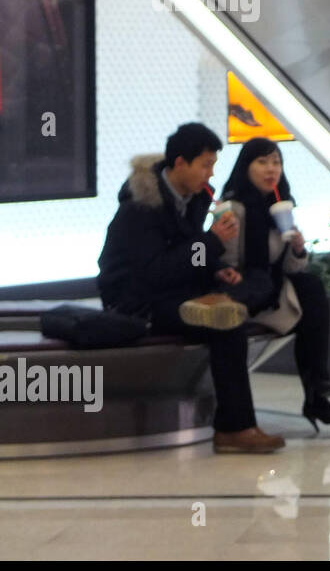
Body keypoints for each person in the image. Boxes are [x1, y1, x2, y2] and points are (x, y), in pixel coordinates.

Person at [97, 122, 284, 453]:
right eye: (205, 165)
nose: (210, 174)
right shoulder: (142, 207)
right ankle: (234, 429)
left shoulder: (193, 198)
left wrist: (217, 269)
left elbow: (186, 256)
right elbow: (153, 272)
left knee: (242, 301)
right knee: (224, 323)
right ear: (180, 163)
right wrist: (212, 242)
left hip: (173, 292)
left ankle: (236, 426)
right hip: (135, 302)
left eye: (213, 165)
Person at [217, 137, 330, 432]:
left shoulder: (280, 207)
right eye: (262, 162)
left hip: (271, 287)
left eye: (276, 162)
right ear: (246, 167)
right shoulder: (233, 209)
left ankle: (317, 387)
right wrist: (229, 272)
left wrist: (298, 248)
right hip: (244, 291)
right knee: (306, 307)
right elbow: (222, 262)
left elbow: (291, 267)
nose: (271, 169)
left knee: (311, 286)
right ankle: (315, 394)